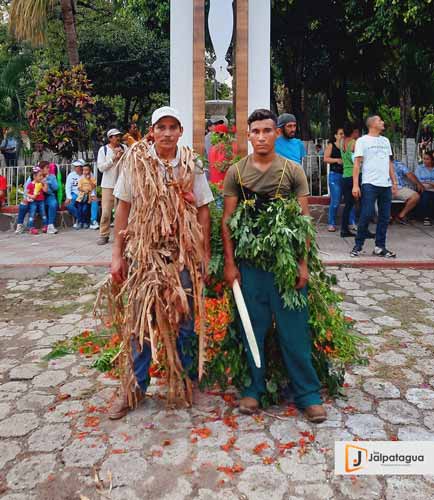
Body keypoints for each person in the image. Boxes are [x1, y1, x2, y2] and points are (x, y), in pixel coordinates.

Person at [222, 108, 326, 423]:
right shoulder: (236, 173)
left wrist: (303, 264)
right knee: (251, 329)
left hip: (287, 266)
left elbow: (304, 220)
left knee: (294, 331)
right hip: (250, 267)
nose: (262, 137)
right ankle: (253, 389)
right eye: (256, 132)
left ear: (276, 134)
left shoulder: (292, 171)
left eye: (268, 131)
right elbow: (227, 221)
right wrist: (230, 264)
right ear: (249, 135)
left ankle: (307, 394)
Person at [108, 106, 213, 420]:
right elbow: (122, 209)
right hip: (145, 254)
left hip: (181, 255)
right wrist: (117, 255)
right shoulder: (136, 162)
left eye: (173, 127)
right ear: (151, 131)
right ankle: (135, 388)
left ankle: (188, 382)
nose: (167, 133)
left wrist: (203, 252)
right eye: (161, 127)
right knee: (139, 321)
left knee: (184, 320)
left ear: (180, 131)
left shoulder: (191, 163)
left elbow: (205, 207)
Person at [351, 116, 398, 258]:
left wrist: (394, 182)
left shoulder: (385, 141)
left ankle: (380, 246)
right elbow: (357, 163)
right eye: (379, 120)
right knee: (367, 213)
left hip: (385, 184)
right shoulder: (362, 141)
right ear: (371, 124)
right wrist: (355, 185)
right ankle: (358, 245)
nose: (383, 122)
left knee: (384, 216)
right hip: (369, 183)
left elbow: (389, 163)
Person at [97, 129, 126, 245]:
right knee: (106, 212)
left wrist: (122, 156)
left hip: (122, 184)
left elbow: (130, 163)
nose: (117, 138)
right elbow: (101, 168)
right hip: (107, 185)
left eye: (119, 136)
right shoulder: (103, 150)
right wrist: (113, 158)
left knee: (121, 213)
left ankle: (120, 236)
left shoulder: (124, 148)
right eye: (115, 136)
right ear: (110, 138)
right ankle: (104, 235)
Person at [340, 124, 360, 237]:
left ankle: (344, 229)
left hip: (345, 175)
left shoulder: (342, 142)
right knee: (361, 202)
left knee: (348, 205)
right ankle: (362, 229)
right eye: (357, 132)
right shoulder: (354, 143)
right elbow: (357, 161)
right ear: (354, 132)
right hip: (354, 175)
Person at [324, 127, 345, 232]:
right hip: (335, 175)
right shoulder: (331, 146)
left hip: (346, 175)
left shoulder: (346, 146)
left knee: (350, 200)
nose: (342, 136)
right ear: (335, 136)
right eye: (340, 134)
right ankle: (331, 223)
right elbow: (325, 158)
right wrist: (336, 160)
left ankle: (352, 222)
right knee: (335, 201)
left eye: (343, 134)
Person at [392, 159, 424, 224]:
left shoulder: (398, 163)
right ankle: (384, 217)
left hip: (399, 188)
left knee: (416, 196)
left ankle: (401, 215)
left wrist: (418, 183)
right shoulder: (377, 163)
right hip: (383, 188)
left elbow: (409, 174)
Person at [415, 151, 434, 226]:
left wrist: (427, 182)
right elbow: (418, 181)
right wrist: (431, 183)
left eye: (427, 159)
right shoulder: (419, 168)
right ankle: (426, 217)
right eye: (424, 159)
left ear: (432, 160)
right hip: (422, 188)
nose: (425, 161)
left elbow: (423, 181)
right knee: (426, 196)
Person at [27, 166, 48, 235]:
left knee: (43, 213)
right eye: (40, 176)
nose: (41, 177)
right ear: (34, 176)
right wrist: (32, 196)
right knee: (32, 214)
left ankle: (45, 226)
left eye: (42, 175)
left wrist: (45, 183)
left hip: (41, 201)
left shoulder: (41, 184)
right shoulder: (30, 184)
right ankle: (31, 227)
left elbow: (45, 190)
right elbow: (27, 193)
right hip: (33, 202)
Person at [76, 164, 97, 229]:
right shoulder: (81, 179)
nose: (85, 172)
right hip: (81, 197)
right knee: (80, 210)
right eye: (84, 170)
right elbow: (79, 188)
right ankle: (80, 222)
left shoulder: (93, 179)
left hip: (88, 197)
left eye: (86, 170)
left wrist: (89, 180)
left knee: (85, 209)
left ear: (90, 171)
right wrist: (84, 190)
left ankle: (85, 222)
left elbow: (93, 187)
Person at [65, 159, 84, 229]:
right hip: (74, 194)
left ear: (82, 167)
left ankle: (79, 221)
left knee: (81, 205)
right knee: (68, 205)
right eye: (75, 166)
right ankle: (80, 219)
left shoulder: (86, 174)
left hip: (83, 194)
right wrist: (68, 197)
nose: (75, 168)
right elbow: (68, 187)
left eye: (77, 166)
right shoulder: (71, 175)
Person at [41, 161, 59, 234]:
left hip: (49, 196)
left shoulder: (52, 176)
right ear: (41, 169)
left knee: (53, 203)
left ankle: (50, 225)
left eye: (49, 167)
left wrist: (49, 180)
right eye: (47, 168)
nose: (48, 169)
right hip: (39, 197)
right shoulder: (36, 175)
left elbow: (56, 188)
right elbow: (27, 186)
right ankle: (45, 225)